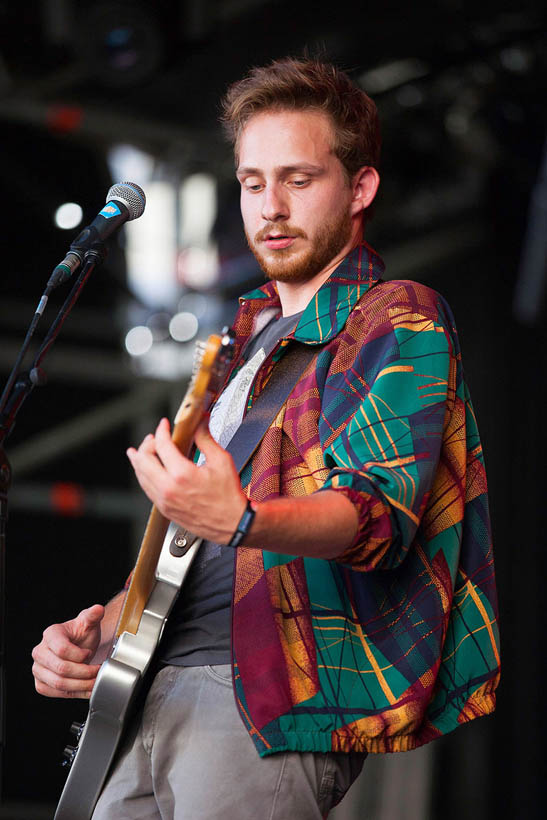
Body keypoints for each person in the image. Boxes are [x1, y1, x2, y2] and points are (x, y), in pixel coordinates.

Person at [32, 58, 500, 819]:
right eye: (253, 182)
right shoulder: (236, 347)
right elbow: (189, 543)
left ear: (359, 189)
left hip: (258, 701)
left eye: (299, 179)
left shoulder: (395, 316)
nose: (270, 207)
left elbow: (375, 516)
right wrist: (99, 629)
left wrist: (243, 518)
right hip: (148, 688)